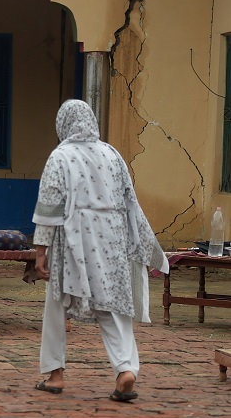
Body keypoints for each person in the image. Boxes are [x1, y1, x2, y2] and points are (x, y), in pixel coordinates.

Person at [33, 99, 167, 402]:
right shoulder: (112, 155)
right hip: (112, 240)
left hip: (73, 240)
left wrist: (41, 252)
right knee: (112, 306)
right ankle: (125, 371)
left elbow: (50, 208)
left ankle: (55, 375)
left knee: (58, 303)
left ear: (64, 124)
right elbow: (130, 200)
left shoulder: (61, 156)